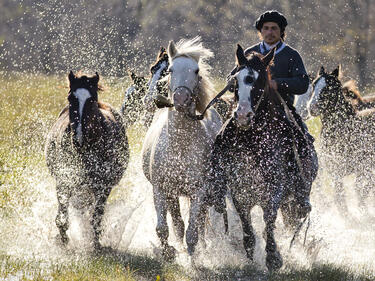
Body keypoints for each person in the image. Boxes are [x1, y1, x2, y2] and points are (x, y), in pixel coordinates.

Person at [212, 10, 317, 218]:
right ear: (260, 31)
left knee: (300, 140)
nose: (270, 32)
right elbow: (233, 76)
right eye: (266, 28)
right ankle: (216, 186)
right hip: (249, 109)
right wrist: (234, 79)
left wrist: (278, 83)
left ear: (281, 32)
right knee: (221, 138)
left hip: (281, 109)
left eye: (274, 29)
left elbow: (303, 83)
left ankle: (300, 192)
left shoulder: (291, 55)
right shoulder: (249, 52)